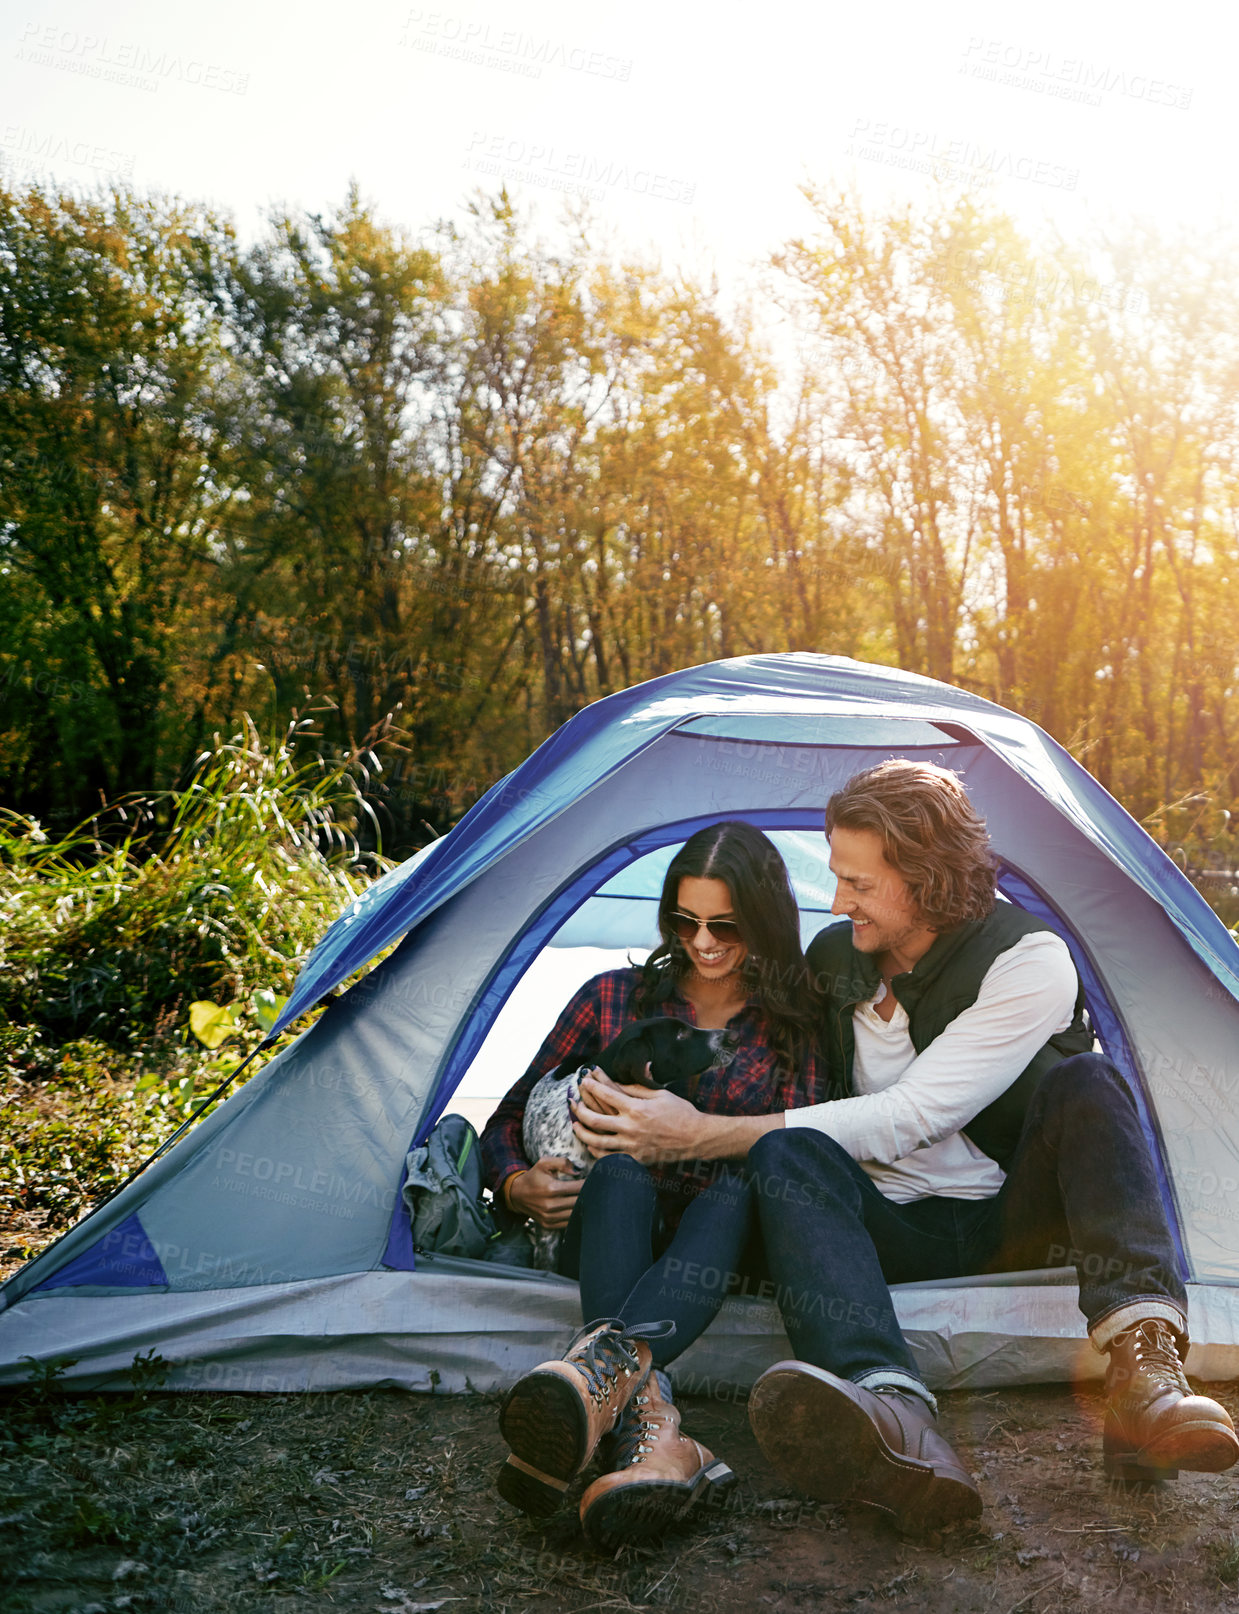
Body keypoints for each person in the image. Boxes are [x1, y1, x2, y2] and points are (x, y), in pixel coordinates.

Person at [573, 760, 1239, 1533]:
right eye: (835, 878)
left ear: (925, 876)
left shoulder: (1027, 960)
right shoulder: (831, 961)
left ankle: (1142, 1370)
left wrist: (698, 1135)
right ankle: (890, 1408)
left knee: (1088, 1080)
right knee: (786, 1152)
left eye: (857, 883)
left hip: (1006, 1222)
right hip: (876, 1228)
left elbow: (914, 1113)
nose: (836, 900)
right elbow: (765, 1059)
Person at [480, 820, 823, 1548]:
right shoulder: (609, 998)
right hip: (607, 1229)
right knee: (622, 1172)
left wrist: (700, 1132)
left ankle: (610, 1393)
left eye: (726, 925)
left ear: (763, 919)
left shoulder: (796, 1021)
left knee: (738, 1184)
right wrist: (514, 1186)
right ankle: (648, 1424)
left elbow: (810, 1150)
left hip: (720, 1247)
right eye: (685, 920)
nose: (702, 942)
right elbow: (506, 1119)